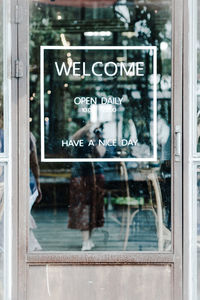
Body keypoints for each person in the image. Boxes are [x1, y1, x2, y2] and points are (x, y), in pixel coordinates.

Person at [68, 122, 105, 251]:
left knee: (94, 209)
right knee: (83, 208)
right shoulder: (80, 141)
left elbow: (102, 153)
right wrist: (86, 127)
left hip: (94, 177)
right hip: (81, 176)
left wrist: (98, 138)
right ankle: (85, 241)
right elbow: (73, 139)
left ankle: (89, 239)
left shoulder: (96, 140)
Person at [29, 132, 42, 251]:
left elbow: (34, 162)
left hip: (26, 184)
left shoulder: (28, 135)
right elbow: (34, 163)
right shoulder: (28, 135)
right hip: (28, 184)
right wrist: (38, 184)